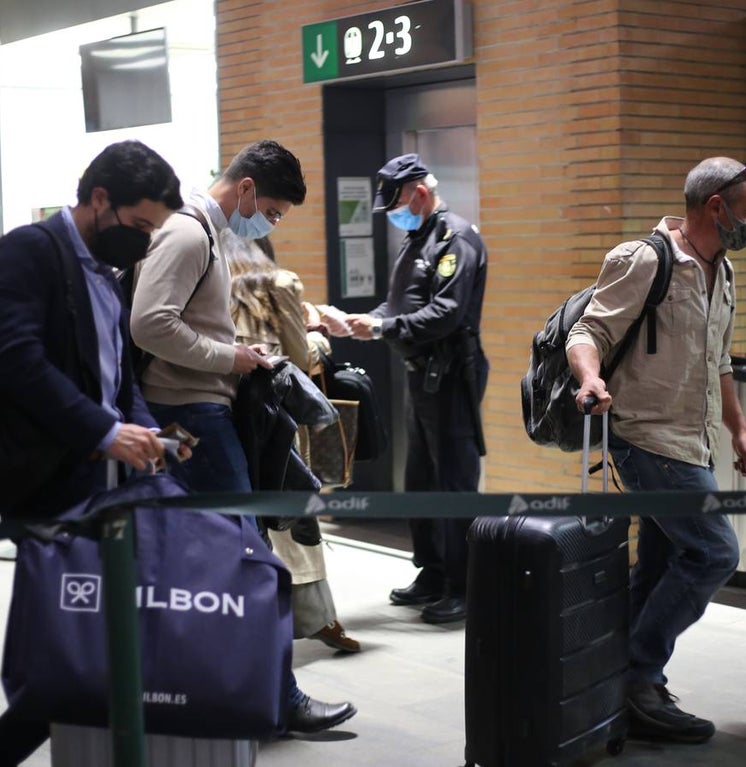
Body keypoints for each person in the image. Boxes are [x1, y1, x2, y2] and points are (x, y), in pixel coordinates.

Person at [0, 140, 183, 766]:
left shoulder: (105, 273)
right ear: (99, 199)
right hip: (47, 486)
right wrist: (102, 433)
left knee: (96, 655)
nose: (143, 241)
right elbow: (16, 362)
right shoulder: (30, 250)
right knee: (72, 660)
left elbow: (117, 378)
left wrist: (145, 434)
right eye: (139, 226)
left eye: (154, 232)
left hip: (101, 487)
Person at [130, 140, 357, 733]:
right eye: (274, 212)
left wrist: (234, 354)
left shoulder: (202, 234)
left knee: (212, 560)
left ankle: (225, 690)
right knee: (249, 560)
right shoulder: (189, 233)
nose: (270, 223)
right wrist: (227, 358)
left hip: (197, 409)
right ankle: (275, 698)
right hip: (193, 413)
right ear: (247, 187)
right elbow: (151, 324)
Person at [566, 157, 746, 743]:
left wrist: (740, 431)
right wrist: (589, 378)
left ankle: (616, 680)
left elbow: (720, 362)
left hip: (694, 440)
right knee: (713, 554)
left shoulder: (722, 270)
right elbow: (589, 332)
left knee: (657, 564)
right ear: (715, 207)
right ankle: (640, 677)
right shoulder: (645, 259)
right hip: (646, 438)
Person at [341, 153, 488, 626]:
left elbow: (446, 313)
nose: (396, 214)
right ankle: (431, 571)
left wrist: (384, 329)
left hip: (449, 377)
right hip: (419, 375)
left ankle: (464, 587)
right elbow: (402, 302)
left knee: (454, 484)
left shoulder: (456, 239)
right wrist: (365, 321)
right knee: (420, 480)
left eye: (399, 203)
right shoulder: (417, 238)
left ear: (419, 194)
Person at [225, 231, 361, 654]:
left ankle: (258, 623)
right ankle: (317, 619)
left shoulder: (211, 283)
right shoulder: (281, 283)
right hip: (276, 420)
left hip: (230, 416)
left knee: (253, 521)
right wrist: (319, 336)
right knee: (297, 518)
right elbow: (298, 360)